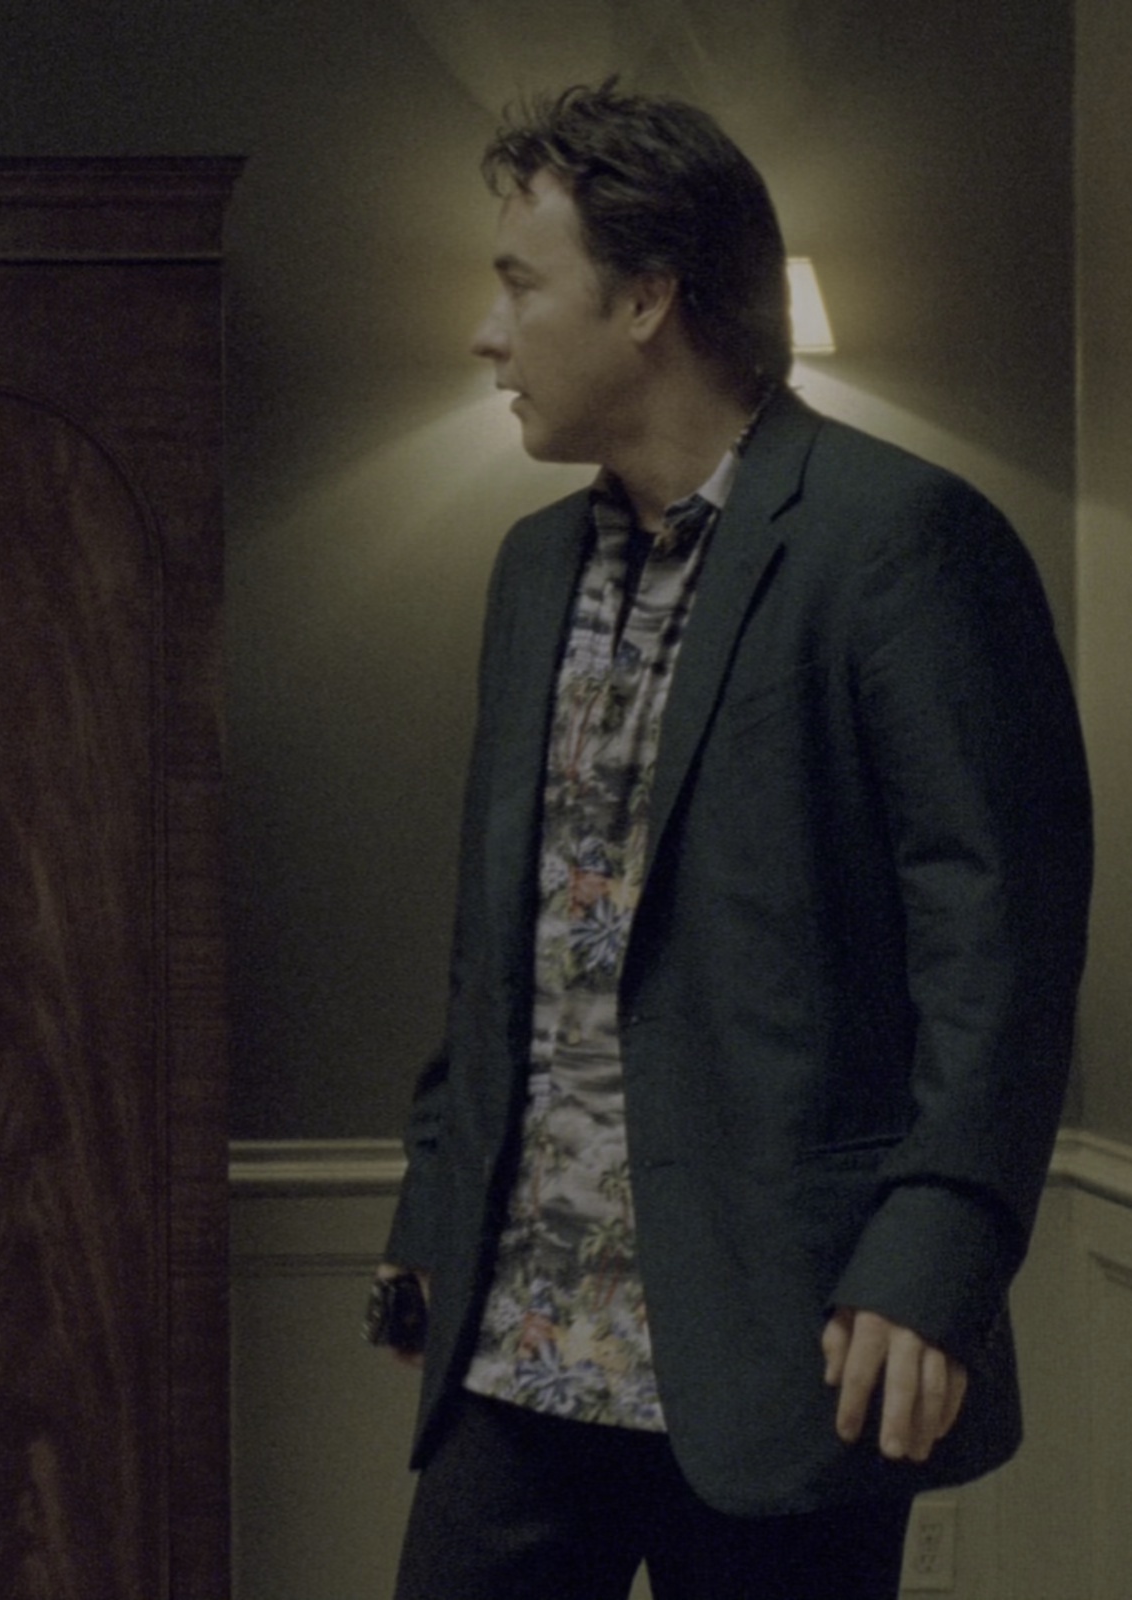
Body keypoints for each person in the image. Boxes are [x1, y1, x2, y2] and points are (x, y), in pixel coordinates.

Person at [372, 80, 1093, 1600]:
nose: (490, 336)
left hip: (789, 1337)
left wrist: (939, 1253)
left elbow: (1003, 947)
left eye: (520, 285)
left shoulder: (902, 539)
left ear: (647, 298)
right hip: (523, 1339)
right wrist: (436, 1202)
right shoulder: (531, 570)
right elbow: (499, 936)